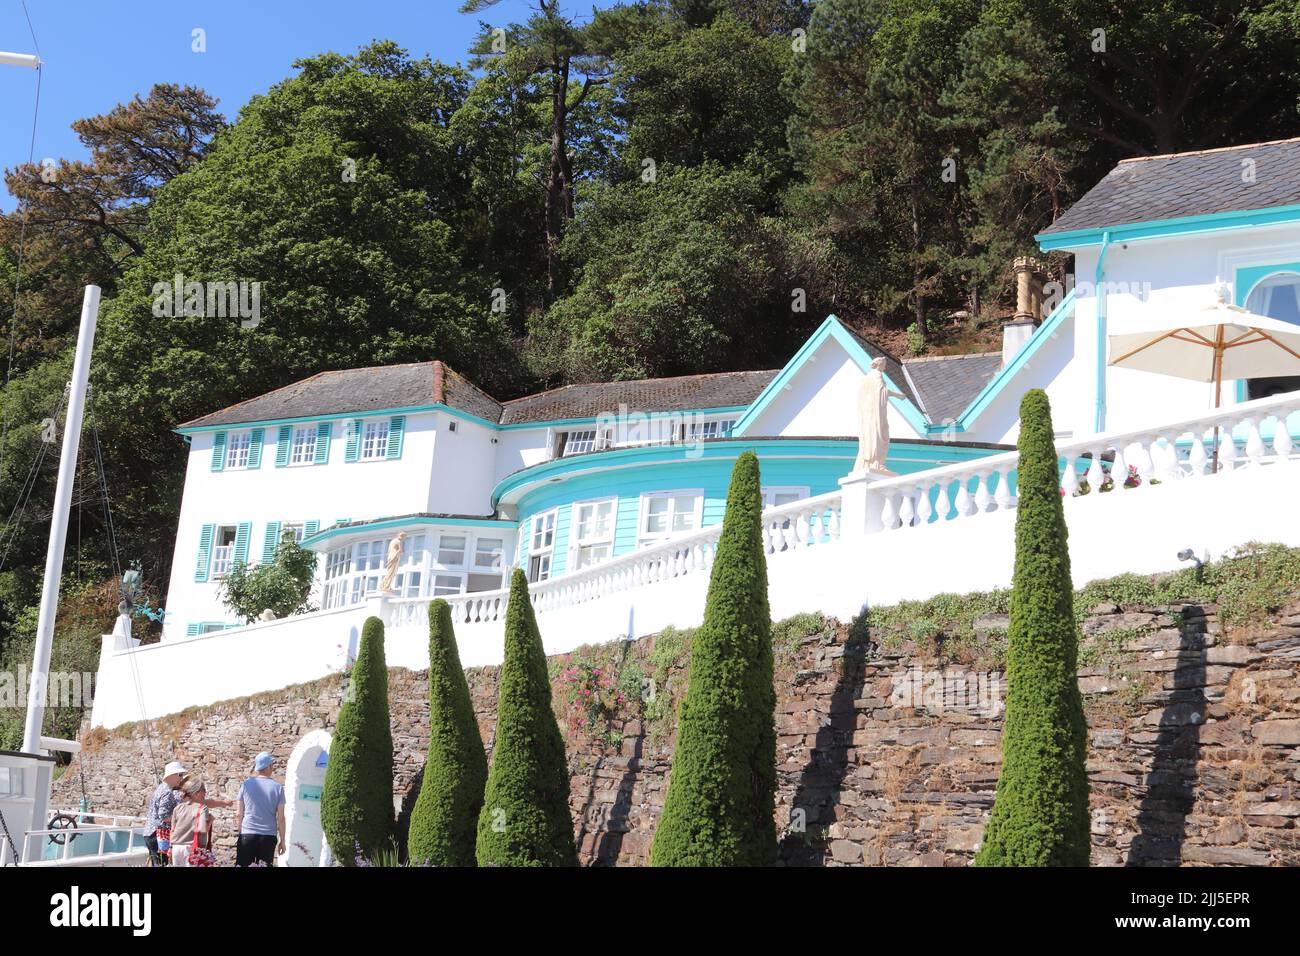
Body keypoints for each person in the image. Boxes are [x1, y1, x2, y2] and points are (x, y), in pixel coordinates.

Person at [235, 751, 286, 867]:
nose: (273, 767)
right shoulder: (278, 788)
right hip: (268, 837)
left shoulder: (245, 785)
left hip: (247, 833)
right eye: (272, 765)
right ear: (268, 766)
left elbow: (239, 814)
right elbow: (281, 818)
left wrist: (241, 834)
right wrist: (282, 840)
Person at [144, 760, 188, 865]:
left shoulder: (162, 787)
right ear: (171, 776)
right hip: (158, 835)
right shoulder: (167, 791)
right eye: (180, 775)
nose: (182, 778)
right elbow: (164, 816)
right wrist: (183, 819)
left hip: (152, 833)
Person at [170, 777, 215, 867]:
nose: (205, 793)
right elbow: (203, 829)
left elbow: (172, 830)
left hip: (176, 847)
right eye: (203, 790)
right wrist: (211, 820)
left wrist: (170, 848)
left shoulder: (178, 808)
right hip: (191, 848)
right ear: (196, 793)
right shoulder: (202, 808)